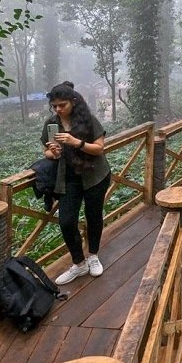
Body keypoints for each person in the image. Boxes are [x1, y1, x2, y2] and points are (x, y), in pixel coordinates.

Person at [41, 82, 111, 285]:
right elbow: (45, 151)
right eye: (54, 106)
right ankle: (79, 263)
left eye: (62, 105)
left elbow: (99, 148)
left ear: (73, 102)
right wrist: (52, 153)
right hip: (68, 178)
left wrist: (75, 142)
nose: (58, 109)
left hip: (95, 175)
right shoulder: (51, 123)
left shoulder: (88, 120)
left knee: (93, 215)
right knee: (66, 221)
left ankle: (93, 256)